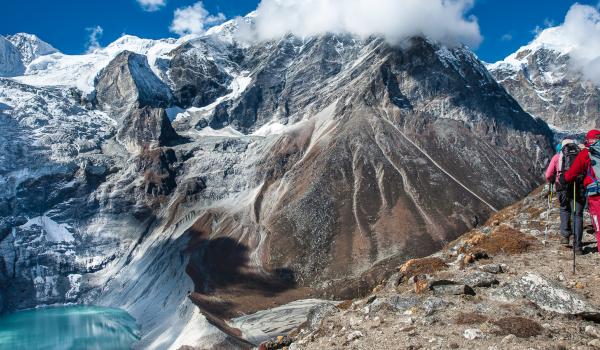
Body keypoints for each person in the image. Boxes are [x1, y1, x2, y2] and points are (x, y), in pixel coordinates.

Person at [562, 130, 600, 254]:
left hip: (595, 195)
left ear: (588, 140)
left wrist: (564, 178)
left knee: (597, 224)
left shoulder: (585, 153)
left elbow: (571, 174)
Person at [547, 139, 585, 251]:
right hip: (578, 186)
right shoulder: (580, 155)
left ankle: (565, 236)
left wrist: (553, 180)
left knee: (564, 209)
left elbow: (548, 174)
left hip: (562, 187)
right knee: (578, 215)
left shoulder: (557, 157)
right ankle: (577, 245)